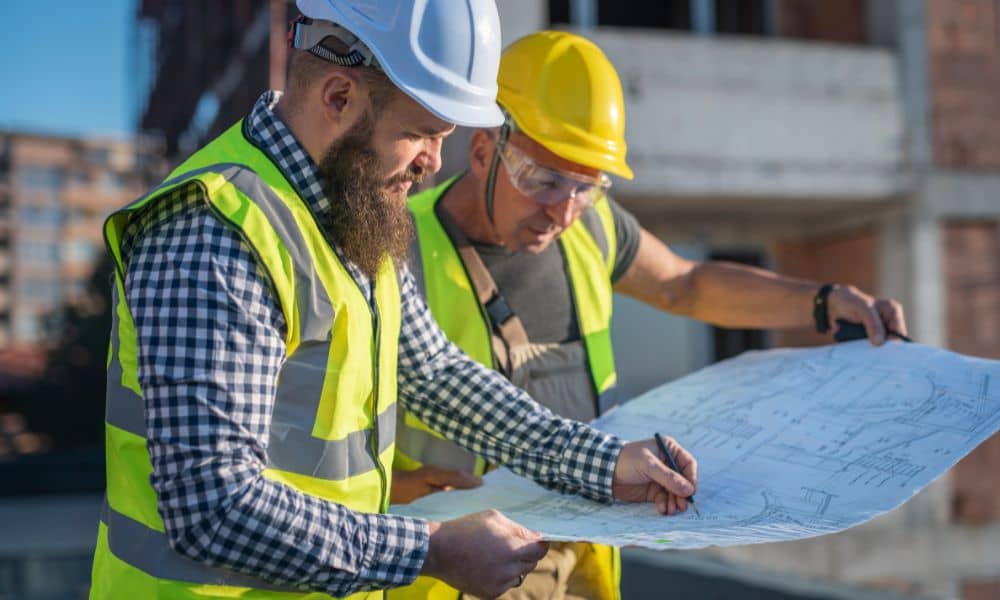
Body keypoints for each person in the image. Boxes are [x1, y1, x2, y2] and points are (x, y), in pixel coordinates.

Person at [89, 3, 700, 599]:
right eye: (420, 133)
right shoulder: (213, 233)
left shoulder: (349, 209)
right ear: (338, 96)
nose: (434, 164)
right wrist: (430, 550)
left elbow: (434, 373)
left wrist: (605, 462)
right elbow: (211, 507)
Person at [391, 30, 909, 600]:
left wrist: (820, 300)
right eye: (542, 180)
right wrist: (395, 486)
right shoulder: (400, 249)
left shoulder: (592, 225)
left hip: (585, 550)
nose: (561, 211)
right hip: (465, 569)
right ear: (485, 150)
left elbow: (686, 285)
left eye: (585, 186)